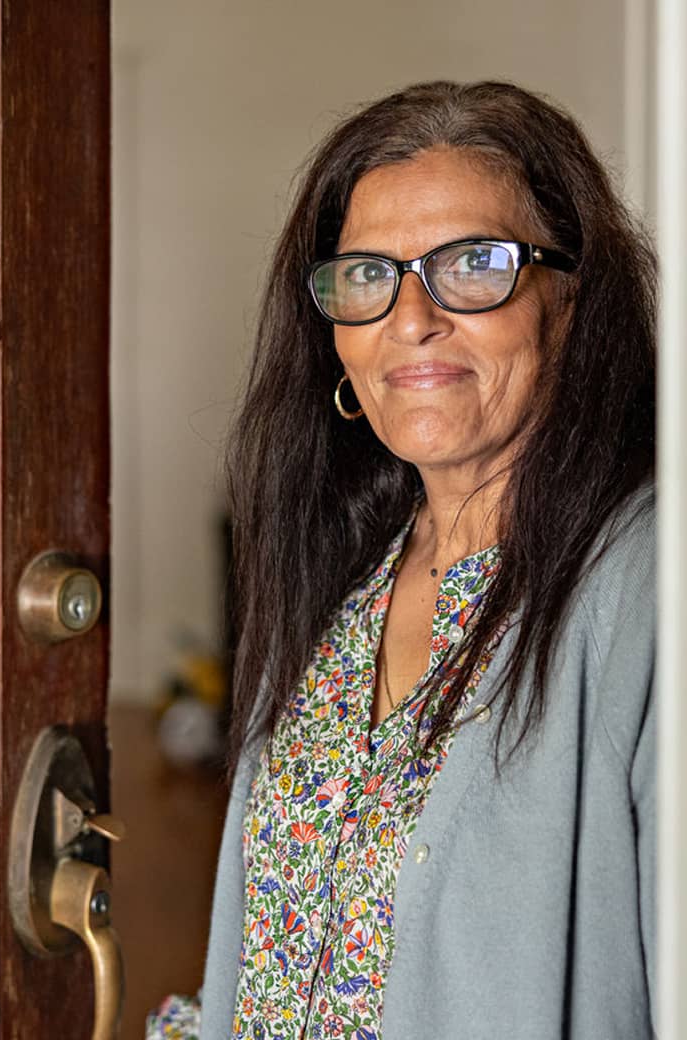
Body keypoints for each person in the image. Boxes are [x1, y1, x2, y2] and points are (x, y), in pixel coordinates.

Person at [147, 80, 657, 1040]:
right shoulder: (337, 566)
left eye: (474, 264)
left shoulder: (650, 591)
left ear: (570, 301)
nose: (412, 318)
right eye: (368, 275)